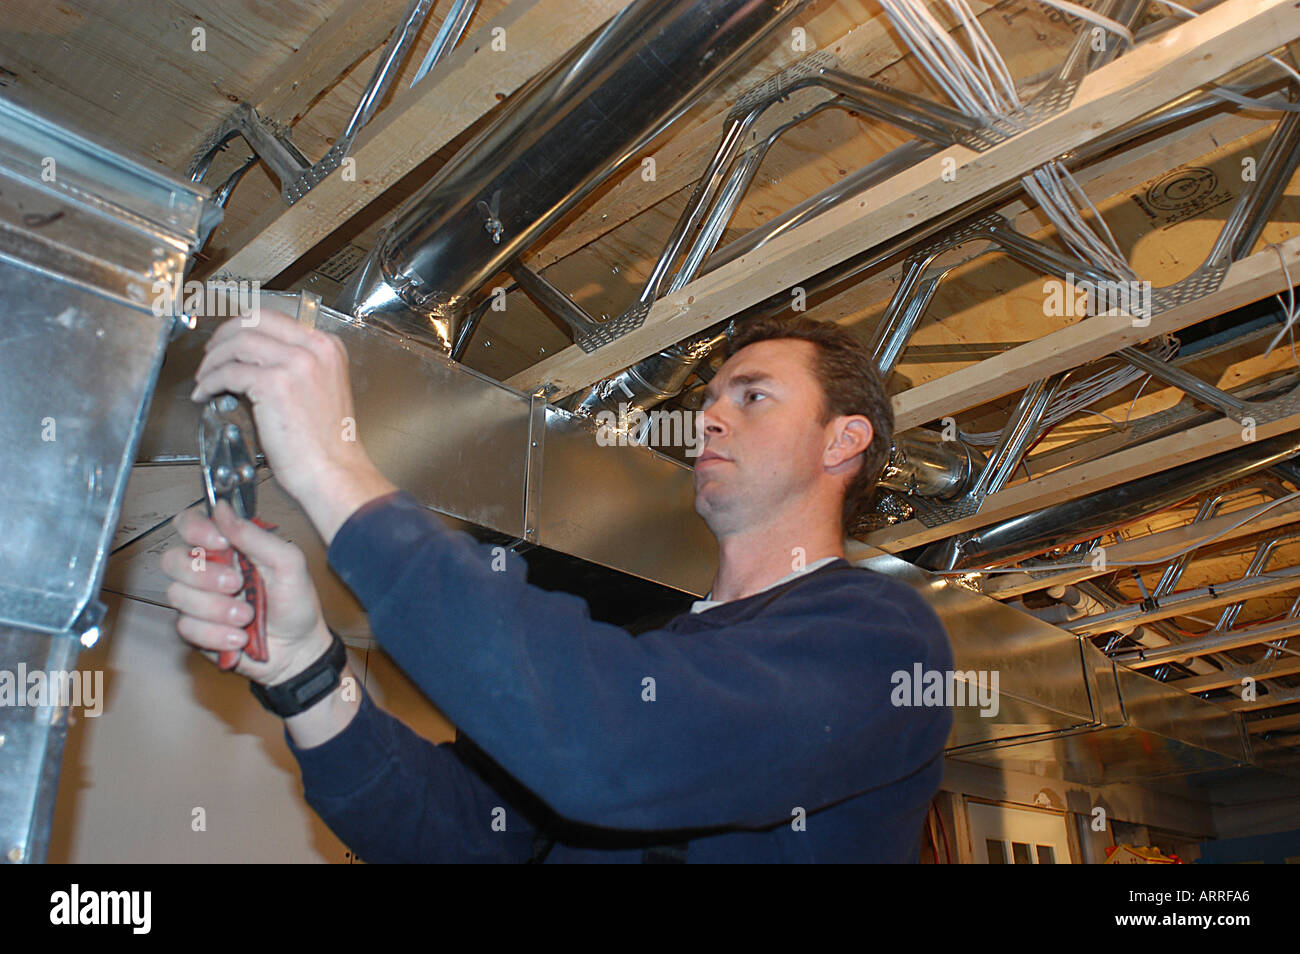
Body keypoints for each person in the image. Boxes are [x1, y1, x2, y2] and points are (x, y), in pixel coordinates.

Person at [162, 309, 954, 862]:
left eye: (751, 396)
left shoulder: (880, 640)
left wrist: (338, 476)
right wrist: (304, 671)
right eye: (708, 398)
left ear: (843, 440)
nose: (708, 418)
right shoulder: (656, 661)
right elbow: (457, 835)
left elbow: (612, 753)